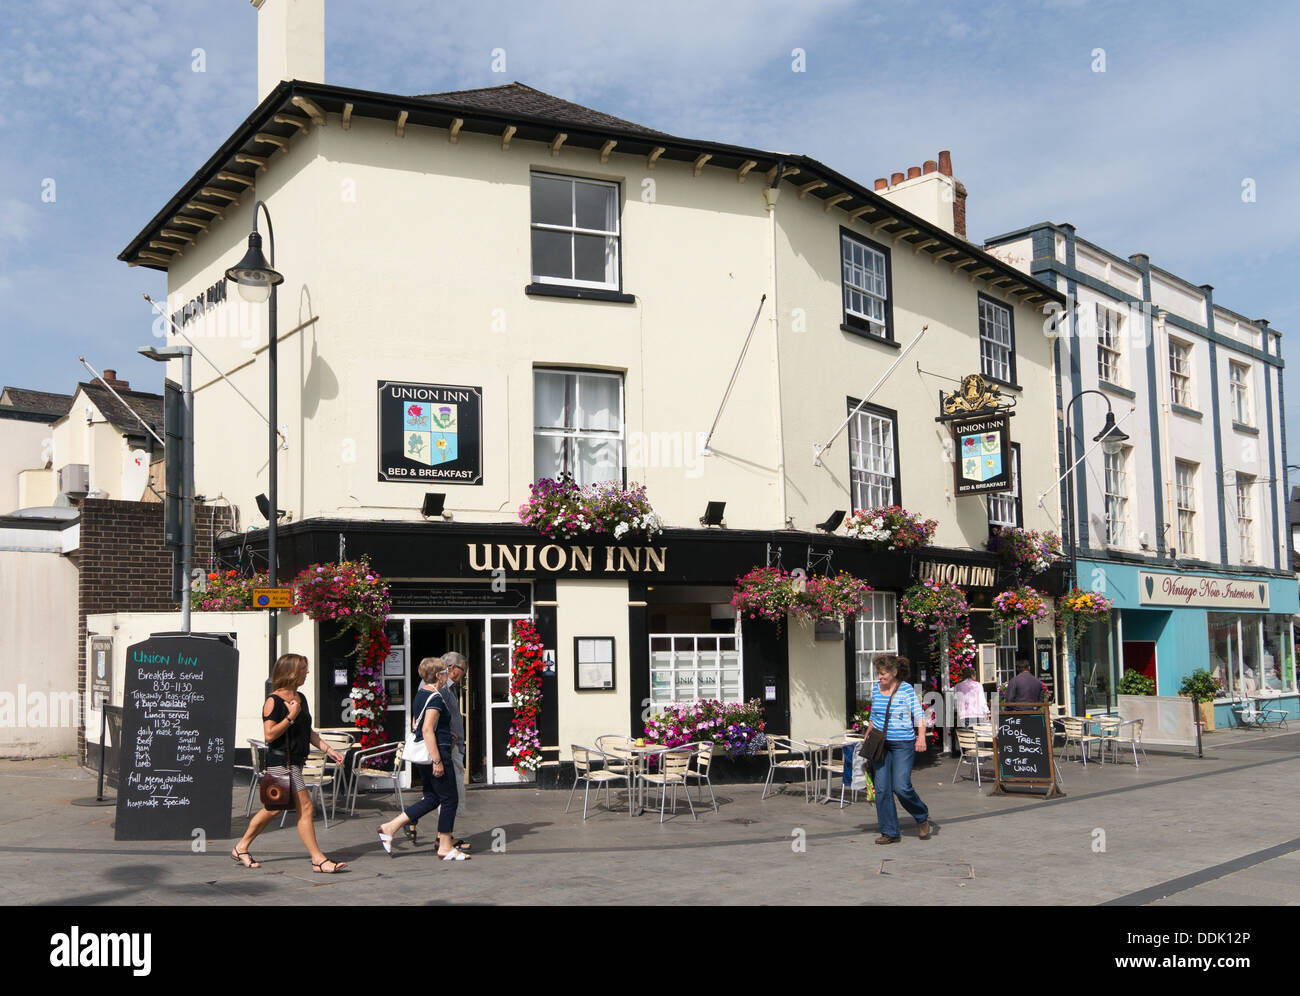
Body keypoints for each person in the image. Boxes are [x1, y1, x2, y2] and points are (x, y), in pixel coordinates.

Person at [231, 653, 347, 872]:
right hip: (282, 762)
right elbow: (269, 735)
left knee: (273, 809)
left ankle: (241, 847)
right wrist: (290, 716)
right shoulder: (273, 701)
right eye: (303, 668)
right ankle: (318, 860)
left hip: (295, 761)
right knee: (305, 807)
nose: (307, 672)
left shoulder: (300, 697)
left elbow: (308, 731)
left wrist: (330, 750)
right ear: (291, 672)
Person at [376, 657, 467, 861]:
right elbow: (426, 729)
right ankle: (444, 846)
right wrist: (437, 761)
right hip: (436, 753)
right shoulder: (435, 697)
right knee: (450, 798)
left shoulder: (420, 694)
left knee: (433, 798)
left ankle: (390, 827)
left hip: (428, 752)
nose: (447, 675)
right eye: (444, 672)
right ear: (437, 675)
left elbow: (419, 723)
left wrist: (445, 732)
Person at [866, 655, 932, 844]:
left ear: (894, 673)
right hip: (880, 744)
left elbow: (919, 714)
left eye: (883, 673)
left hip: (903, 743)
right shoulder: (876, 690)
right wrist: (867, 736)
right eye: (878, 673)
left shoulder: (906, 689)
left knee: (901, 786)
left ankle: (921, 815)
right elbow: (874, 715)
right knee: (882, 789)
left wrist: (921, 737)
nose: (879, 677)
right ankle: (889, 832)